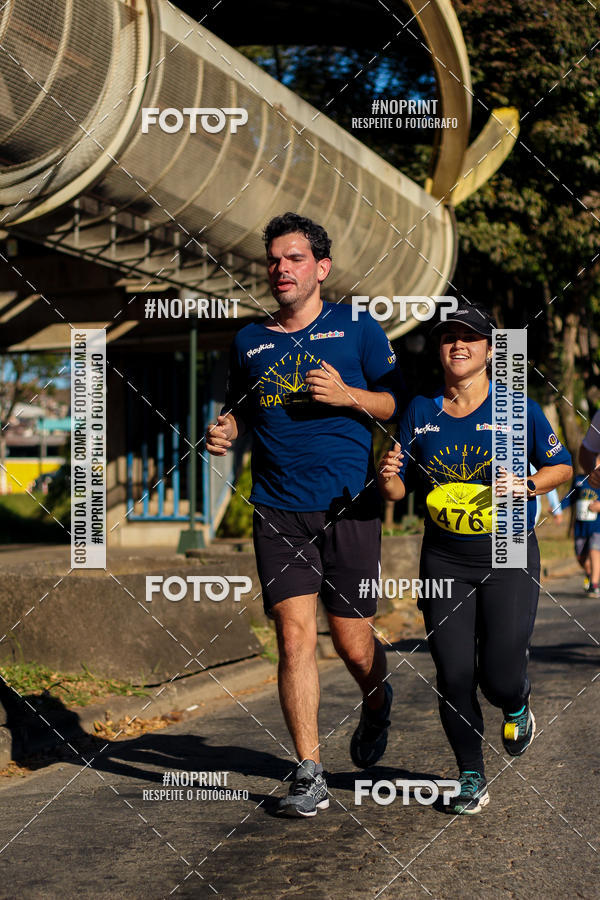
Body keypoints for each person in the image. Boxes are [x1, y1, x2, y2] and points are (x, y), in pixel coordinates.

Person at [206, 212, 404, 817]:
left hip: (349, 506)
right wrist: (227, 429)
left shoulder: (357, 327)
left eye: (294, 258)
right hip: (277, 508)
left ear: (322, 268)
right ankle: (309, 771)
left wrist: (349, 395)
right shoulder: (249, 340)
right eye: (273, 259)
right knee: (293, 639)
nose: (281, 268)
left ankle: (377, 700)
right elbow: (240, 408)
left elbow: (397, 403)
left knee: (352, 643)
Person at [378, 302, 572, 815]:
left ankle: (517, 701)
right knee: (454, 673)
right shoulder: (420, 410)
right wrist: (387, 474)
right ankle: (470, 775)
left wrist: (527, 484)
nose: (458, 345)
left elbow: (563, 467)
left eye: (470, 337)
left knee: (499, 676)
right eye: (449, 338)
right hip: (444, 556)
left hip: (508, 547)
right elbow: (398, 490)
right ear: (440, 350)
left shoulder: (517, 408)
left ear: (489, 350)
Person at [559, 472, 600, 596]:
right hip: (581, 525)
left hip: (597, 526)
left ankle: (594, 585)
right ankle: (590, 574)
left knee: (594, 551)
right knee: (581, 557)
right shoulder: (579, 479)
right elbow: (570, 497)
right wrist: (558, 508)